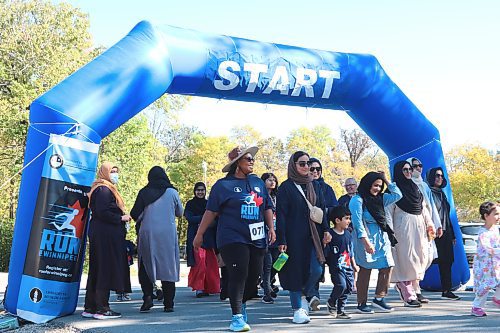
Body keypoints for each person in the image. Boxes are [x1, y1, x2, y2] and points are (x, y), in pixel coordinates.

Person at [193, 146, 275, 332]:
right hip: (232, 236)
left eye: (252, 158)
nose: (252, 161)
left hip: (257, 236)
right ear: (237, 163)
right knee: (239, 273)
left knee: (254, 275)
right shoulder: (222, 186)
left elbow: (267, 207)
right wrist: (199, 234)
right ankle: (237, 317)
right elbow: (211, 211)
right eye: (248, 158)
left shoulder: (257, 183)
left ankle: (241, 303)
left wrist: (271, 228)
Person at [276, 151, 331, 324]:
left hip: (313, 237)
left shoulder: (315, 185)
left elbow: (322, 210)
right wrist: (282, 239)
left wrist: (326, 230)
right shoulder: (285, 187)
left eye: (308, 164)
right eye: (302, 164)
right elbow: (282, 215)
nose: (306, 167)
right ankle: (297, 308)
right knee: (294, 273)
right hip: (293, 237)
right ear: (293, 165)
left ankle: (306, 294)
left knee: (316, 270)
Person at [130, 166, 183, 313]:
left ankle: (147, 296)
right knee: (168, 266)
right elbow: (180, 212)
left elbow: (135, 214)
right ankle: (169, 303)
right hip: (167, 234)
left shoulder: (144, 192)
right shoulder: (172, 192)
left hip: (147, 233)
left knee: (146, 265)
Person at [83, 162, 131, 319]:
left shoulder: (100, 188)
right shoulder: (103, 189)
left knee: (97, 268)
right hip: (105, 235)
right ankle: (102, 308)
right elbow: (103, 212)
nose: (115, 174)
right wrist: (121, 218)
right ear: (104, 172)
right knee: (104, 268)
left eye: (116, 171)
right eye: (112, 171)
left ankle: (91, 306)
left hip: (100, 233)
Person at [349, 171, 402, 314]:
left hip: (382, 237)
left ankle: (379, 298)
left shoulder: (381, 198)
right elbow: (357, 222)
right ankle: (362, 303)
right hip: (365, 238)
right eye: (375, 185)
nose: (377, 188)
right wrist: (365, 241)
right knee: (365, 269)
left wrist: (385, 179)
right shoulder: (357, 200)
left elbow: (398, 195)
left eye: (380, 186)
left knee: (387, 265)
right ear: (367, 184)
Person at [389, 160, 434, 308]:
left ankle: (414, 288)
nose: (408, 172)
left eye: (409, 170)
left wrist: (430, 224)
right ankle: (407, 291)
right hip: (402, 229)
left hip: (419, 227)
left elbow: (423, 208)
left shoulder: (415, 188)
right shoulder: (393, 190)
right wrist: (389, 231)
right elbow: (388, 212)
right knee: (406, 259)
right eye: (405, 170)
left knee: (421, 257)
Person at [308, 157, 338, 311]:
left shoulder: (327, 188)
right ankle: (311, 294)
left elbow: (334, 208)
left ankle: (313, 294)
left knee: (319, 265)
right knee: (310, 266)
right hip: (304, 231)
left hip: (322, 230)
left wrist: (322, 212)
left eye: (318, 169)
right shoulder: (300, 186)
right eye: (312, 169)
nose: (315, 172)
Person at [427, 167, 460, 300]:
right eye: (436, 176)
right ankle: (408, 286)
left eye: (441, 176)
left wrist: (452, 235)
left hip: (445, 232)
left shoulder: (442, 193)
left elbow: (447, 215)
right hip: (433, 231)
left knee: (447, 261)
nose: (440, 178)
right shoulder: (428, 192)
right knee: (427, 260)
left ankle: (446, 290)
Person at [185, 182, 220, 298]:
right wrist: (206, 218)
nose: (200, 192)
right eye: (198, 190)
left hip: (209, 237)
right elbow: (190, 218)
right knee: (199, 263)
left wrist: (202, 220)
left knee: (210, 264)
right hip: (195, 237)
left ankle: (210, 287)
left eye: (202, 190)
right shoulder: (190, 204)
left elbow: (215, 220)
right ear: (194, 191)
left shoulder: (209, 203)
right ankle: (199, 287)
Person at [325, 205, 355, 319]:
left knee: (348, 287)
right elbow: (326, 251)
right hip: (336, 267)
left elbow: (350, 250)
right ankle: (331, 301)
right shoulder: (330, 234)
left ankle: (341, 310)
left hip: (347, 266)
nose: (348, 221)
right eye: (346, 218)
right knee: (340, 285)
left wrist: (354, 264)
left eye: (349, 218)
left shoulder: (348, 233)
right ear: (337, 220)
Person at [470, 201, 500, 317]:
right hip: (485, 265)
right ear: (486, 216)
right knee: (485, 286)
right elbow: (488, 248)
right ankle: (477, 306)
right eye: (496, 214)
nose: (498, 217)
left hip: (496, 263)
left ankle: (497, 298)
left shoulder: (495, 229)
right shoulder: (483, 233)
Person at [260, 172, 280, 304]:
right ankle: (267, 292)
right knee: (267, 264)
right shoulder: (259, 196)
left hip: (278, 234)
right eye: (269, 180)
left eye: (274, 180)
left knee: (279, 262)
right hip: (264, 233)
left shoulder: (278, 197)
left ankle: (265, 282)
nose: (272, 182)